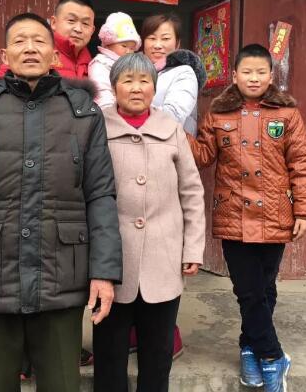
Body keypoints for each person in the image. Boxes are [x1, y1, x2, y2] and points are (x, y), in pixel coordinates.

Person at [0, 12, 123, 392]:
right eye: (19, 41)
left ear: (54, 55)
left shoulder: (83, 113)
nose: (30, 48)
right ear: (5, 55)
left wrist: (104, 272)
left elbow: (100, 195)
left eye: (39, 41)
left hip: (60, 277)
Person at [186, 44, 306, 392]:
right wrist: (172, 130)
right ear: (235, 76)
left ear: (271, 76)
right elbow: (202, 155)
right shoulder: (218, 114)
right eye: (247, 72)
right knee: (248, 290)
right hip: (234, 215)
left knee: (264, 288)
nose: (254, 78)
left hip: (276, 215)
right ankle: (273, 356)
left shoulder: (287, 114)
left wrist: (305, 211)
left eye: (261, 72)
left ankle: (249, 348)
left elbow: (302, 164)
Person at [93, 53, 205, 392]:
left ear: (154, 89)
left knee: (157, 353)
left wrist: (193, 248)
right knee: (109, 352)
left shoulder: (171, 129)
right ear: (114, 87)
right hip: (112, 261)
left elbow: (191, 191)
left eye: (144, 81)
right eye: (127, 80)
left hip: (163, 256)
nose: (136, 88)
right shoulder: (96, 127)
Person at [141, 12, 207, 136]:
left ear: (177, 43)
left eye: (165, 39)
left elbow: (173, 117)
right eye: (152, 38)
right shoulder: (135, 71)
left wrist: (132, 115)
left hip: (171, 145)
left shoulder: (184, 73)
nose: (157, 45)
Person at [88, 12, 141, 108]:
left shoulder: (134, 66)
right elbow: (102, 94)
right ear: (108, 44)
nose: (128, 51)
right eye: (124, 46)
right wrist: (111, 113)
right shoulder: (101, 64)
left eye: (132, 48)